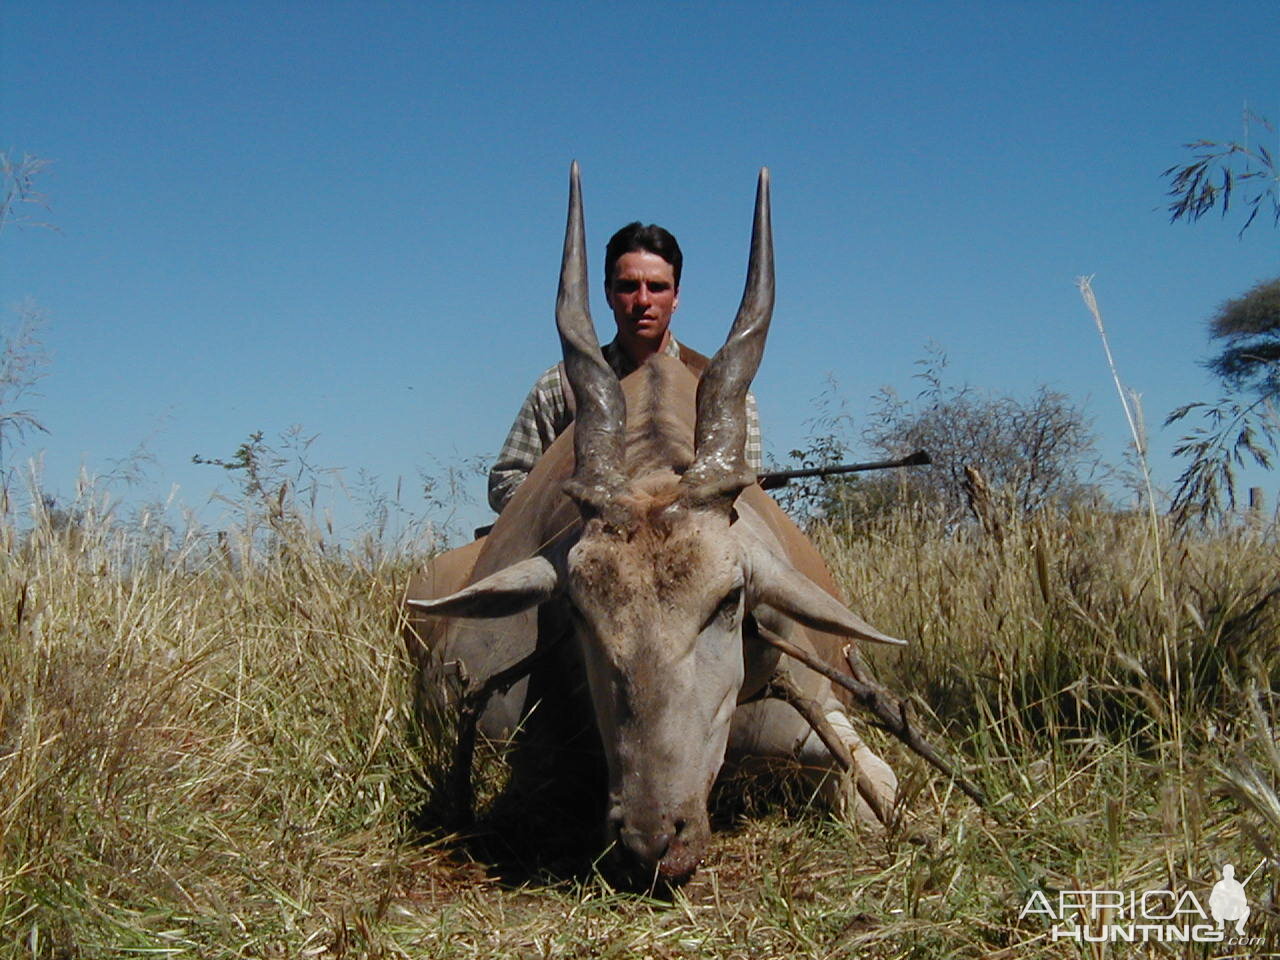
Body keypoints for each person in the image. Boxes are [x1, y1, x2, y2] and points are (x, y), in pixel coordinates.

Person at [488, 221, 763, 513]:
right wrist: (571, 504)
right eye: (628, 287)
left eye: (657, 287)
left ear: (676, 297)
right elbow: (505, 481)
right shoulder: (560, 386)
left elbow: (752, 498)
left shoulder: (726, 393)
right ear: (608, 293)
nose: (643, 300)